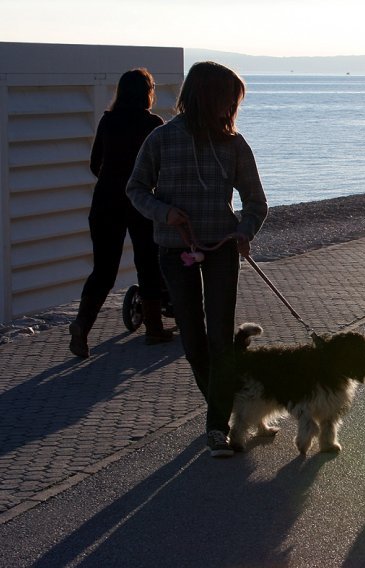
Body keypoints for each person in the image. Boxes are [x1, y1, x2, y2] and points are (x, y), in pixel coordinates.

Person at [127, 61, 268, 458]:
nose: (231, 110)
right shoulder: (161, 139)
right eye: (228, 101)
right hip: (175, 250)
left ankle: (216, 427)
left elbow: (256, 202)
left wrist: (244, 231)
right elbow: (135, 188)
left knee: (220, 338)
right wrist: (165, 213)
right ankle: (228, 408)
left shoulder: (235, 145)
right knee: (192, 338)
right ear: (206, 97)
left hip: (222, 249)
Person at [69, 68, 173, 359]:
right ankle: (154, 328)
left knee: (103, 270)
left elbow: (94, 164)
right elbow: (161, 169)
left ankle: (81, 326)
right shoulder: (153, 124)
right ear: (147, 93)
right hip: (140, 203)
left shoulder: (108, 121)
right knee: (148, 262)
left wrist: (112, 179)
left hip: (104, 202)